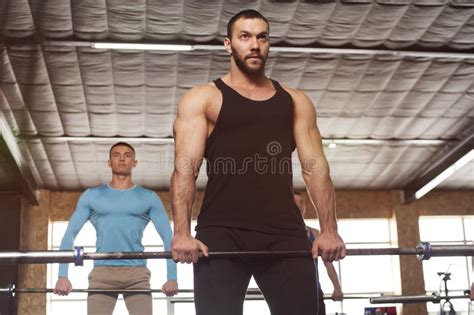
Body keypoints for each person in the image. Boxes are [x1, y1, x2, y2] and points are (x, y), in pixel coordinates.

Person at [170, 9, 345, 315]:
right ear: (228, 44)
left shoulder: (295, 101)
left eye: (262, 37)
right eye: (245, 36)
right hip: (221, 233)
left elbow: (315, 167)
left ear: (268, 44)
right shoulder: (203, 99)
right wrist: (181, 233)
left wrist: (329, 229)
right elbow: (185, 168)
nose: (254, 45)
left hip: (284, 233)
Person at [54, 142, 178, 315]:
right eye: (116, 155)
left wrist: (172, 278)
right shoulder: (92, 196)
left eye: (127, 155)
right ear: (109, 162)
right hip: (102, 273)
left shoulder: (149, 197)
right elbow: (70, 234)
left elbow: (168, 236)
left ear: (134, 162)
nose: (121, 158)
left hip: (137, 274)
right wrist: (62, 275)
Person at [294, 191, 343, 314]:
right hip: (289, 293)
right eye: (294, 203)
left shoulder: (315, 234)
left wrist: (337, 288)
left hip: (314, 293)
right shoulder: (281, 235)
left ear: (304, 207)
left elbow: (328, 263)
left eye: (301, 202)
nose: (299, 206)